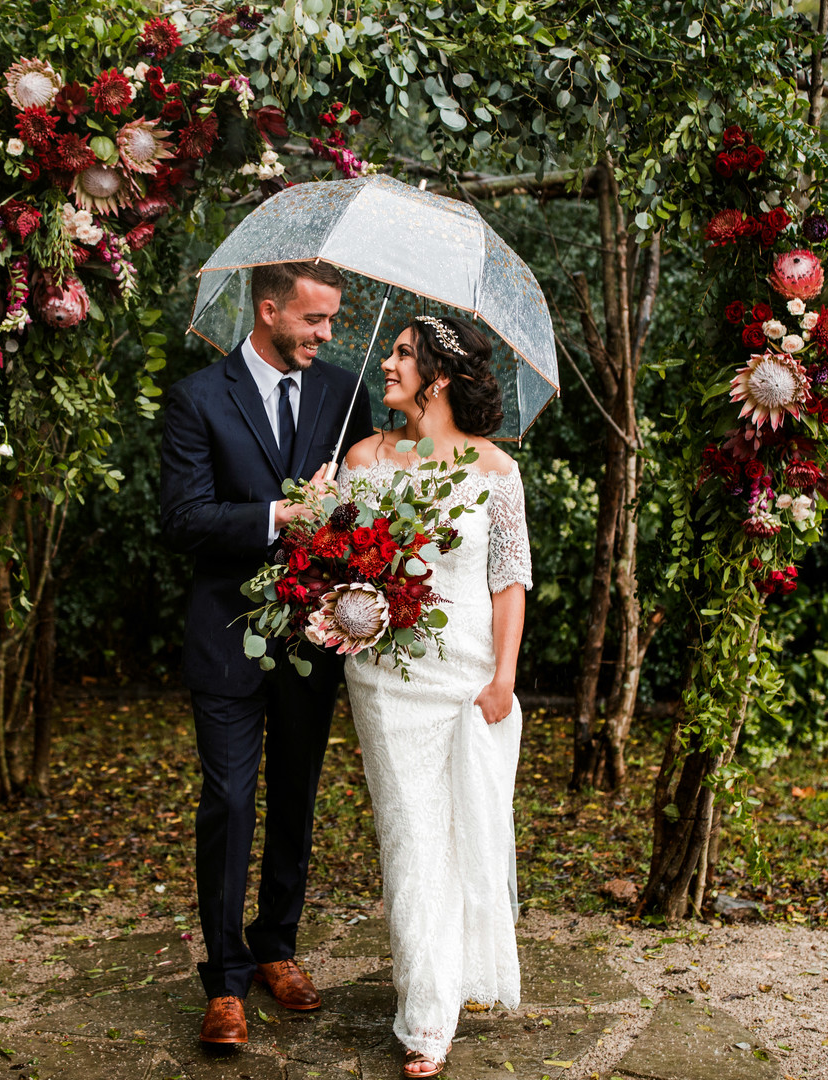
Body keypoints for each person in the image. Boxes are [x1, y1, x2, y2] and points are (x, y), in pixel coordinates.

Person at [158, 260, 375, 1048]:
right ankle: (223, 980)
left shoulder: (345, 394)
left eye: (333, 321)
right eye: (314, 320)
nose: (327, 334)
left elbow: (367, 513)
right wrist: (283, 513)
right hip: (225, 636)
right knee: (229, 802)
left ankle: (277, 947)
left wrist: (343, 513)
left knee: (294, 799)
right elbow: (183, 519)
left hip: (313, 638)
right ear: (269, 309)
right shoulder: (196, 398)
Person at [337, 314, 532, 1079]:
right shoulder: (363, 457)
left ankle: (451, 980)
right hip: (385, 678)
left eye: (402, 356)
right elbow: (341, 566)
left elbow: (508, 580)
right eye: (393, 352)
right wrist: (325, 514)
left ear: (440, 377)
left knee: (466, 831)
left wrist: (504, 677)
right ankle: (427, 1018)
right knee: (413, 833)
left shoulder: (495, 470)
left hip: (469, 678)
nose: (386, 365)